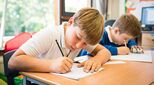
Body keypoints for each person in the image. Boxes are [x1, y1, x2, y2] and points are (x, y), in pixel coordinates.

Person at [8, 8, 111, 73]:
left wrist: (97, 60)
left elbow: (105, 52)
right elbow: (13, 62)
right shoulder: (50, 34)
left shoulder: (83, 37)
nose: (79, 46)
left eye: (85, 44)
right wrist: (51, 65)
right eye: (78, 37)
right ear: (71, 22)